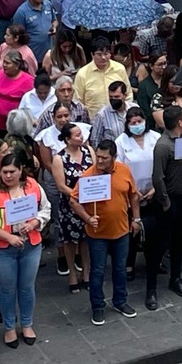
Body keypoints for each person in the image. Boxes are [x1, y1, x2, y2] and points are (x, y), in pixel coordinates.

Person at [0, 152, 49, 348]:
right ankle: (9, 327)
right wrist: (9, 237)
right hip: (2, 249)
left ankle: (27, 324)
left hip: (30, 246)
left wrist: (35, 222)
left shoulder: (33, 186)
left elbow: (45, 209)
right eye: (4, 172)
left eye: (12, 172)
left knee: (27, 287)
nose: (8, 176)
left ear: (20, 170)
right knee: (7, 289)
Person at [78, 137, 141, 322]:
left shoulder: (124, 170)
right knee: (97, 271)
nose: (100, 161)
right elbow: (74, 201)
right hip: (97, 234)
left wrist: (136, 219)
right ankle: (97, 306)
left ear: (114, 157)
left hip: (121, 231)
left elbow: (133, 196)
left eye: (104, 158)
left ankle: (120, 301)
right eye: (98, 157)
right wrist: (87, 218)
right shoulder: (88, 175)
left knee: (120, 269)